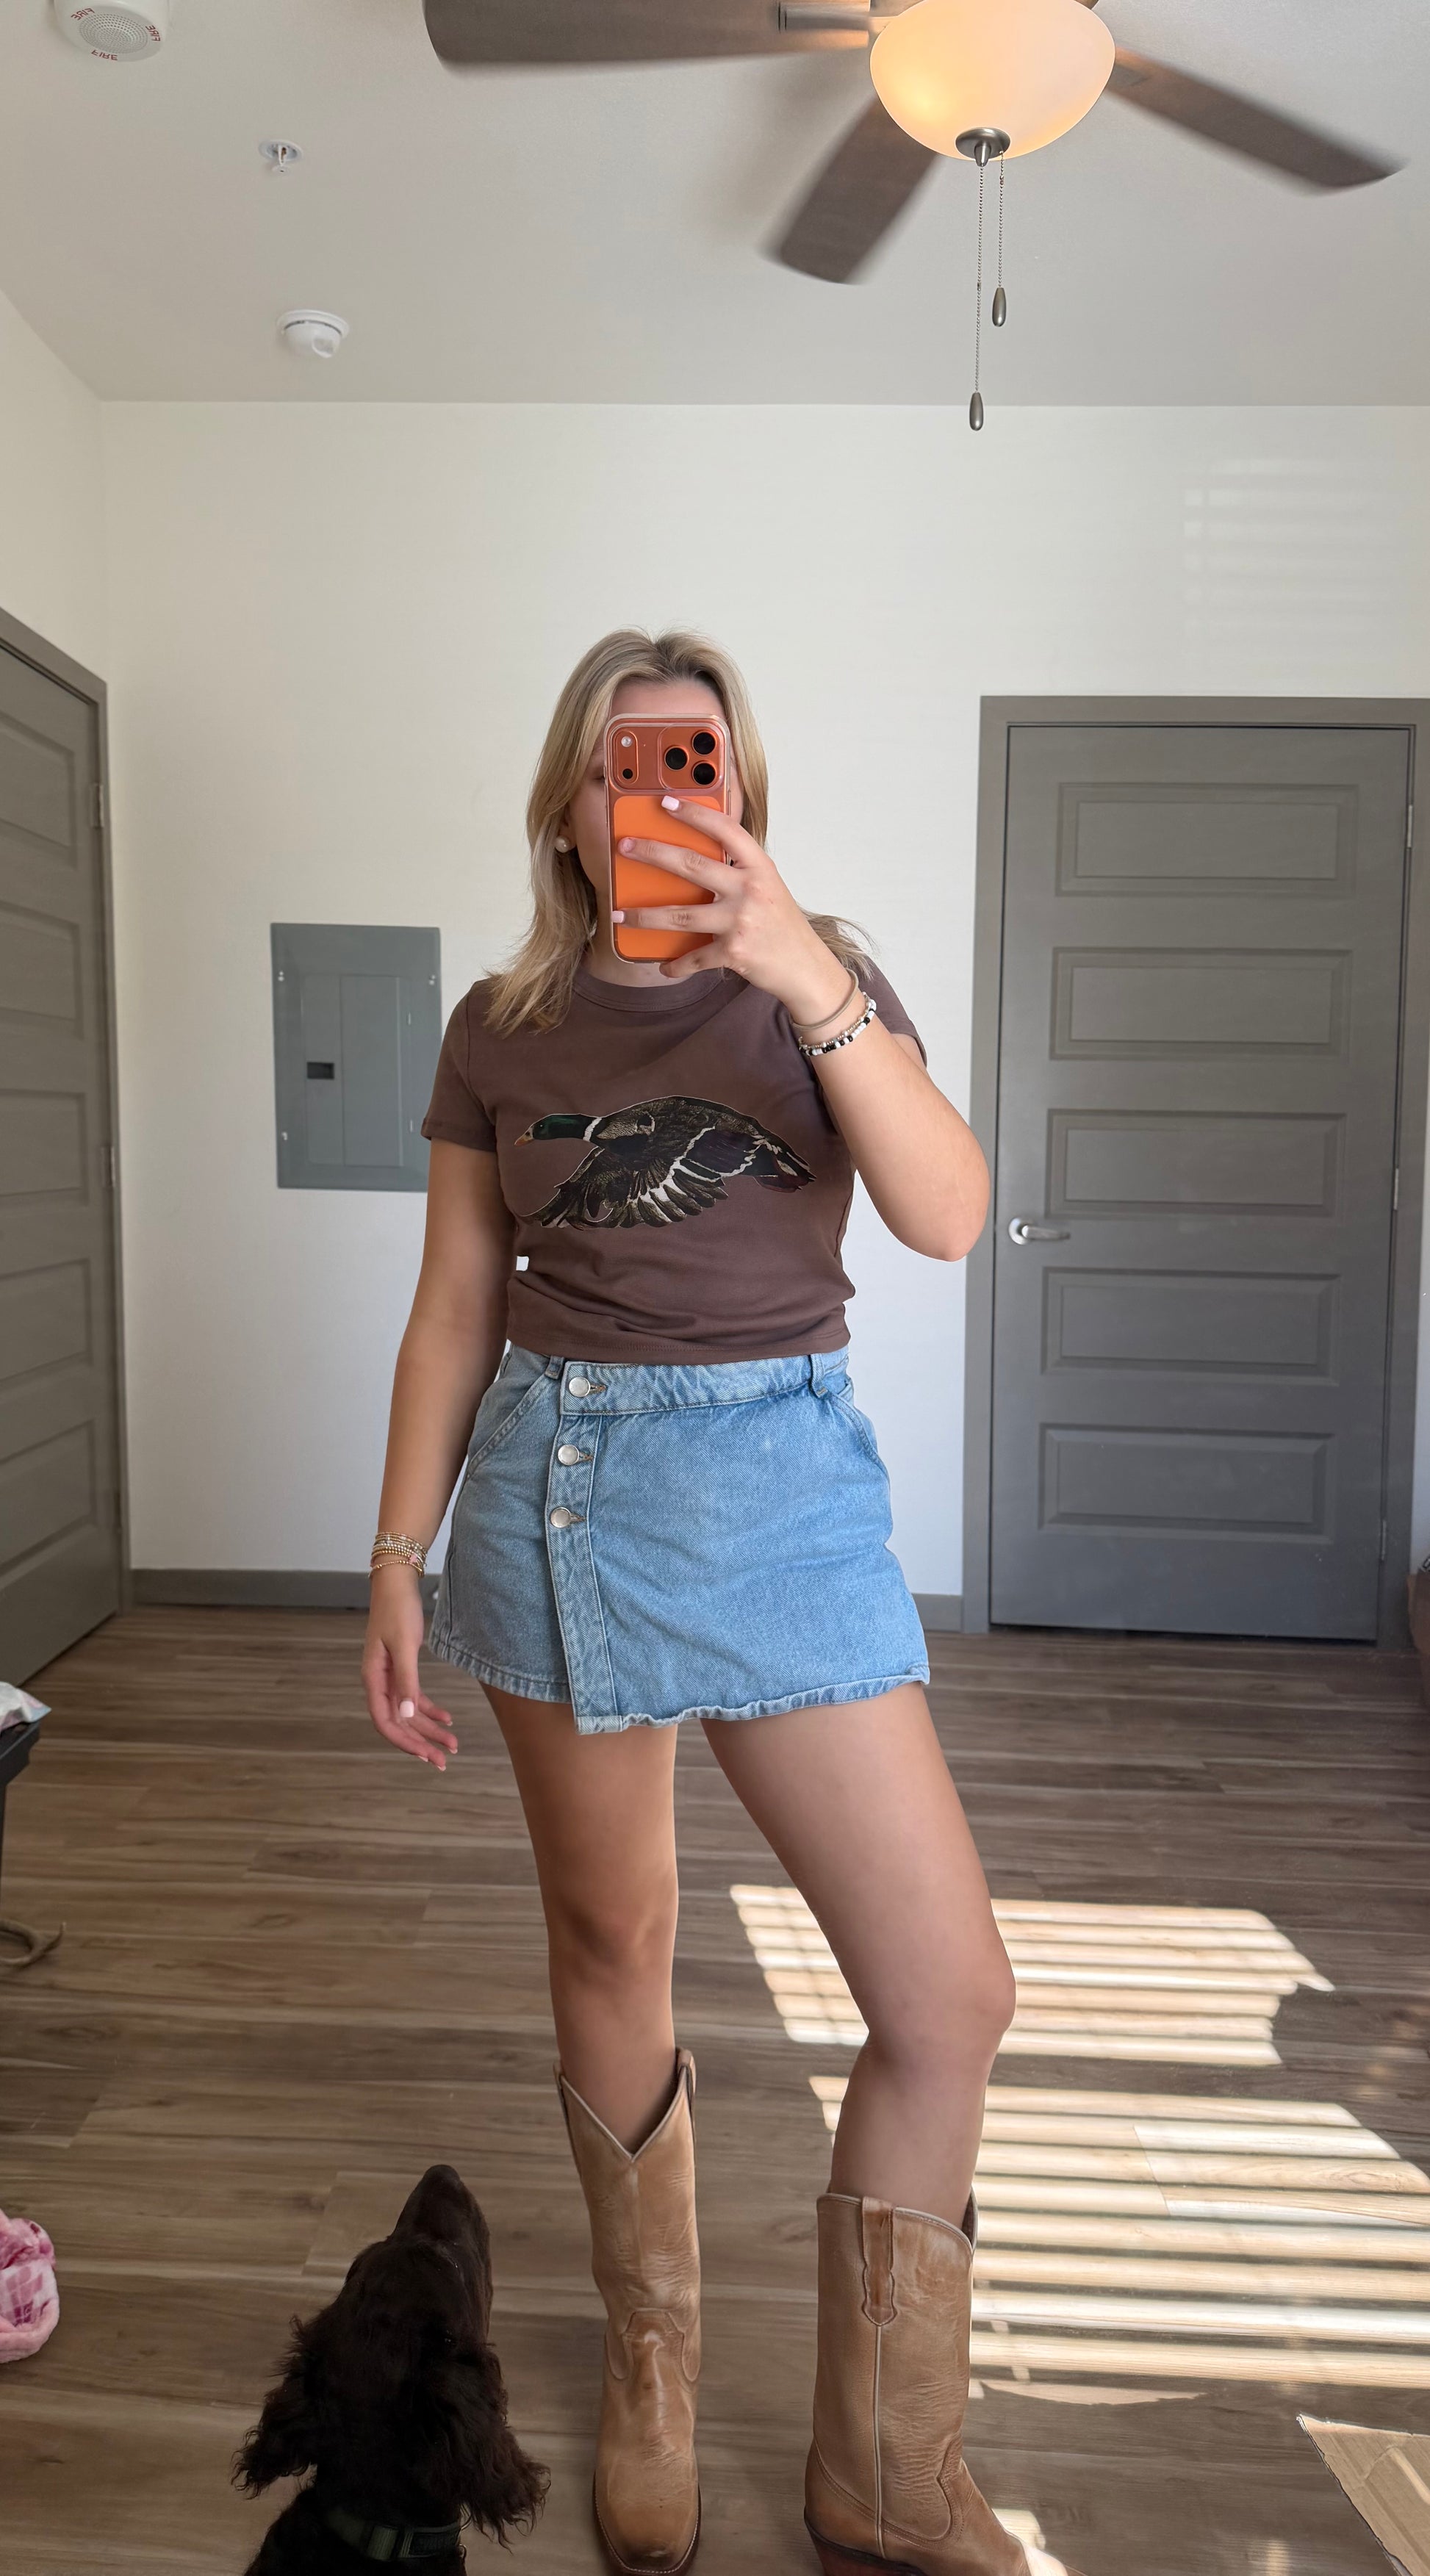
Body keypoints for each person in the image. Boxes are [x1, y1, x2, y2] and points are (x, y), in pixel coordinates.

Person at [362, 630, 1082, 2576]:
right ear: (567, 808)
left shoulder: (819, 979)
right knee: (616, 1934)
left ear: (741, 793)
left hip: (779, 1492)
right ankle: (658, 2372)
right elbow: (454, 1304)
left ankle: (884, 2469)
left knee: (947, 1994)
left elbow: (945, 1212)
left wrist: (801, 974)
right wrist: (395, 1554)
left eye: (698, 763)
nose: (662, 795)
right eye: (626, 766)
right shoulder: (500, 1024)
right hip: (558, 1485)